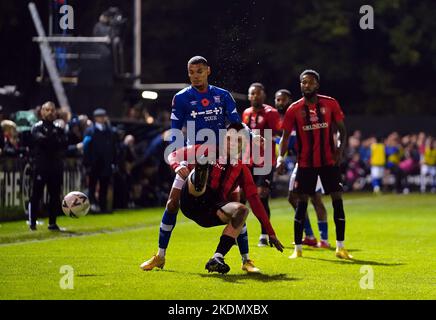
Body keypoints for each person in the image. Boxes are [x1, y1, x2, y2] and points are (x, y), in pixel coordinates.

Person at [140, 56, 261, 273]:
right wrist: (177, 163)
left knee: (237, 205)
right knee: (172, 204)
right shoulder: (182, 98)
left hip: (223, 158)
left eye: (199, 71)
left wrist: (251, 135)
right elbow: (176, 130)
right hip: (194, 157)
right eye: (191, 72)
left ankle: (246, 259)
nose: (195, 75)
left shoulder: (223, 96)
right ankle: (160, 256)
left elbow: (236, 124)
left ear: (208, 71)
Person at [167, 123, 284, 273]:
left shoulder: (242, 170)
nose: (233, 143)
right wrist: (177, 166)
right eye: (229, 139)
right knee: (201, 167)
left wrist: (270, 232)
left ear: (244, 145)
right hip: (191, 200)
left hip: (210, 212)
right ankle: (200, 174)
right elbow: (173, 155)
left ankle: (217, 257)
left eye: (238, 141)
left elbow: (255, 202)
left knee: (242, 210)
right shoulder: (209, 150)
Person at [277, 69, 353, 260]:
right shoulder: (294, 109)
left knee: (337, 201)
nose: (306, 85)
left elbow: (343, 130)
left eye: (310, 82)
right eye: (303, 82)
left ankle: (340, 247)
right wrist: (281, 158)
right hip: (305, 164)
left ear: (317, 85)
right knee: (301, 203)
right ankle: (298, 249)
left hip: (328, 162)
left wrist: (339, 150)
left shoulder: (330, 103)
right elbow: (285, 138)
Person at [275, 89, 330, 248]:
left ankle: (324, 239)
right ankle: (310, 236)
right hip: (300, 162)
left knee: (315, 198)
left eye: (283, 100)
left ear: (290, 100)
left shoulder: (300, 113)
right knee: (293, 197)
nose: (280, 103)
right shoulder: (281, 119)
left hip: (314, 161)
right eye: (277, 100)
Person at [242, 83, 281, 247]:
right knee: (242, 197)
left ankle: (264, 234)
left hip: (265, 161)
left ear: (264, 95)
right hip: (247, 160)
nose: (255, 96)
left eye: (258, 93)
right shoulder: (245, 113)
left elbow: (279, 135)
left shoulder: (271, 113)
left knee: (261, 196)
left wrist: (279, 157)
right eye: (252, 94)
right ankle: (238, 233)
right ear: (249, 96)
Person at [28, 101, 68, 231]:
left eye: (52, 110)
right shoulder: (37, 127)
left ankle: (52, 222)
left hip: (55, 166)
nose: (50, 112)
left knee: (55, 195)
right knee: (36, 194)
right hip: (41, 166)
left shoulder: (58, 128)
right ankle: (32, 222)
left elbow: (64, 143)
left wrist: (53, 139)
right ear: (42, 112)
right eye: (47, 110)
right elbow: (41, 140)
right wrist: (54, 139)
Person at [83, 108, 118, 213]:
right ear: (96, 118)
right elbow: (86, 147)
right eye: (100, 116)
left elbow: (113, 148)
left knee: (104, 186)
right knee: (92, 186)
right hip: (94, 164)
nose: (103, 118)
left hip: (106, 163)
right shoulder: (90, 131)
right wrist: (87, 163)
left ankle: (103, 207)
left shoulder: (109, 131)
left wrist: (113, 162)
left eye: (103, 116)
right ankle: (92, 207)